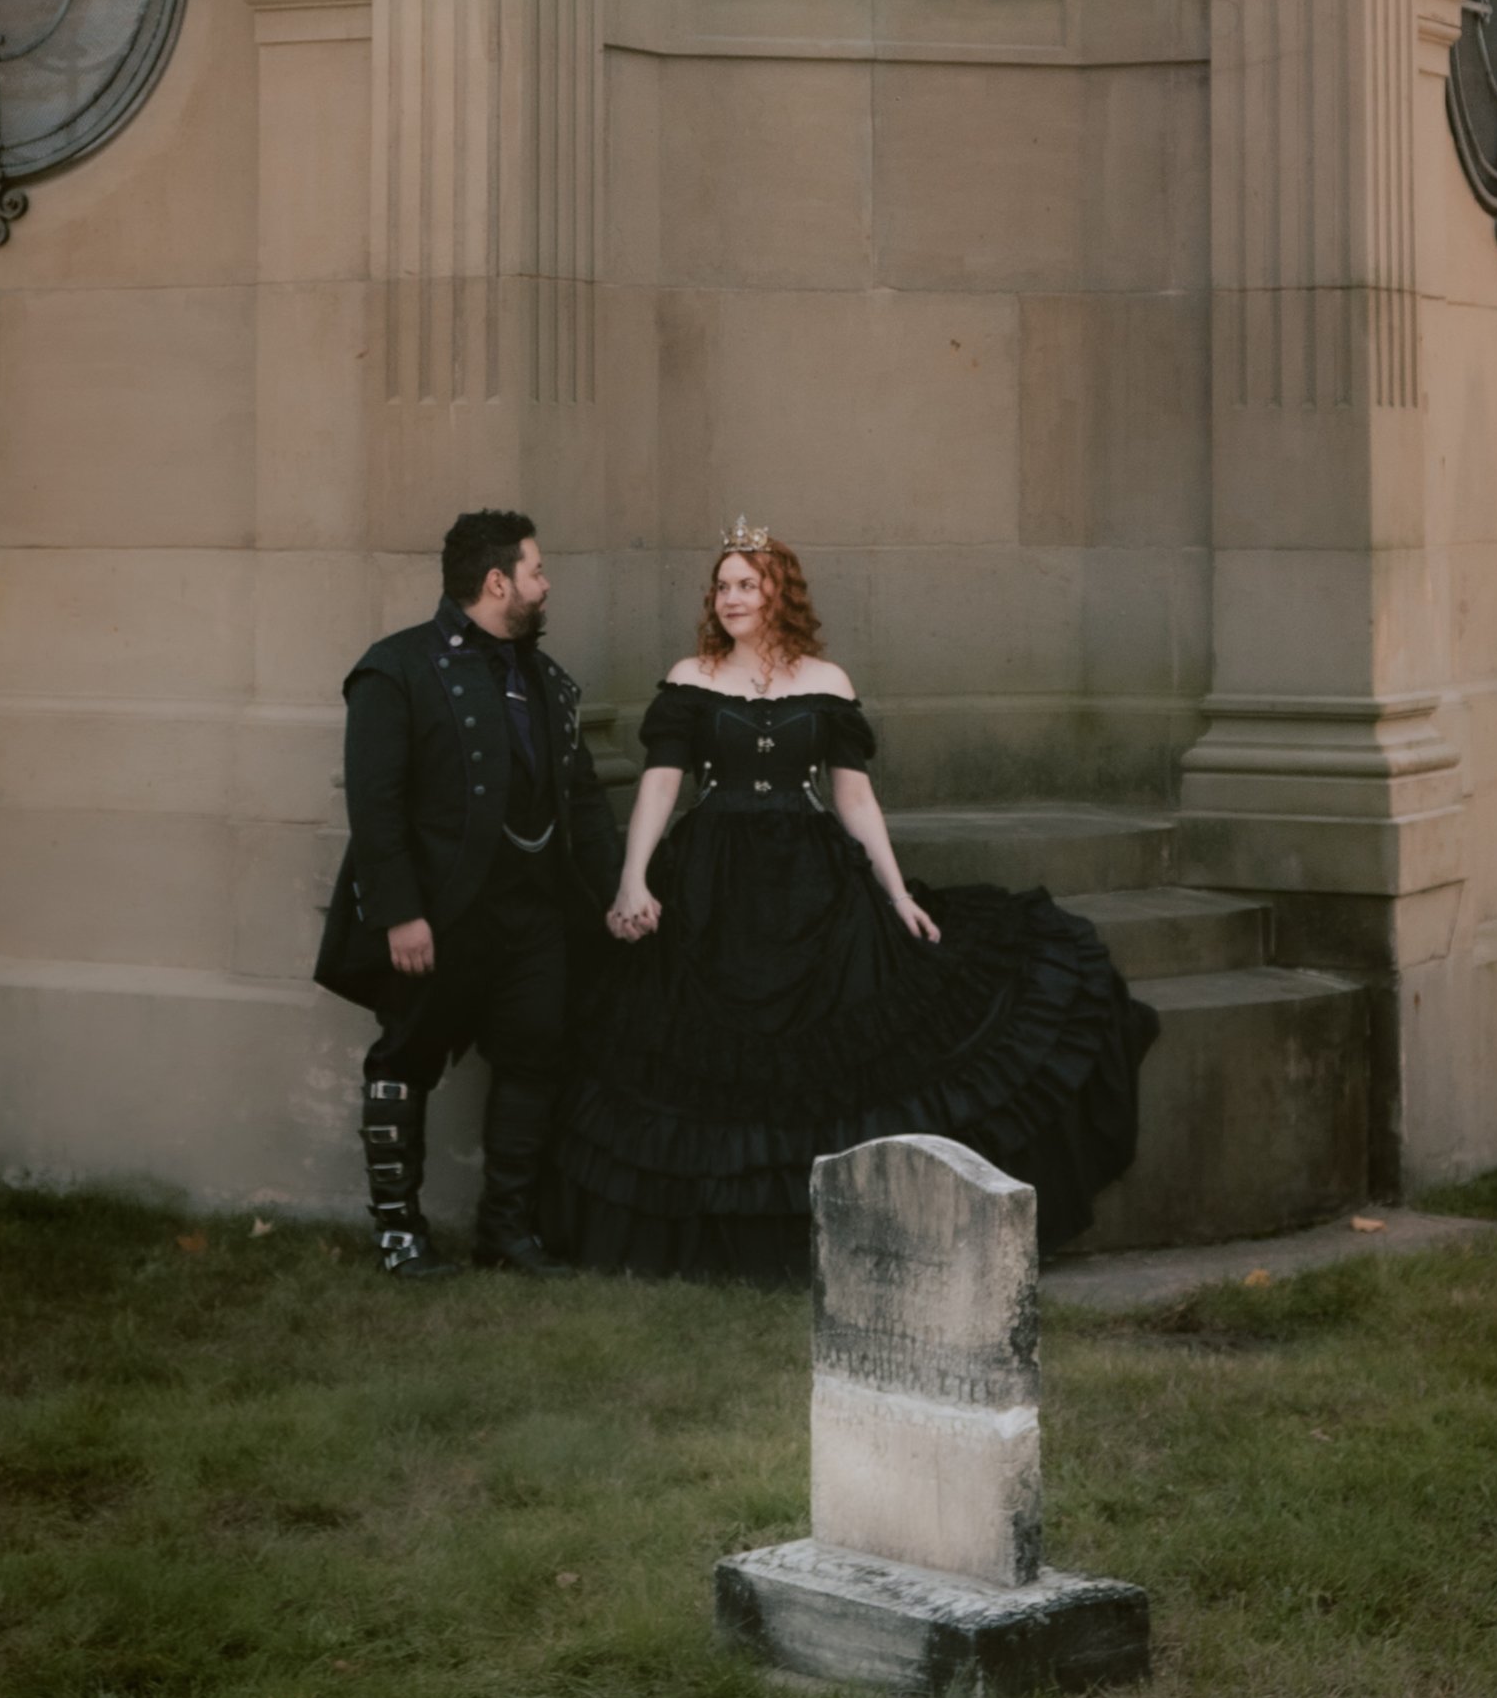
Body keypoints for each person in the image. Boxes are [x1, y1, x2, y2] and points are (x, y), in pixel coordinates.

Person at [547, 521, 1157, 1283]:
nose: (730, 596)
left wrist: (897, 894)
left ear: (780, 592)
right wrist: (634, 879)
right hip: (709, 884)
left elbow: (856, 801)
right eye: (723, 585)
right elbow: (662, 786)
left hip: (814, 881)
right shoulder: (691, 676)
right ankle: (726, 1245)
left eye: (747, 582)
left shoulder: (827, 683)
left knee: (838, 1050)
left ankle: (859, 1227)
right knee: (714, 1059)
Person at [315, 512, 623, 1276]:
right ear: (497, 582)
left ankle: (505, 1236)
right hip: (437, 916)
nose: (546, 585)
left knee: (533, 1057)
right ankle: (399, 1233)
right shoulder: (396, 669)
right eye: (537, 570)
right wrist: (401, 913)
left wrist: (617, 893)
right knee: (405, 1056)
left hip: (534, 915)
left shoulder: (548, 681)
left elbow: (581, 800)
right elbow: (376, 803)